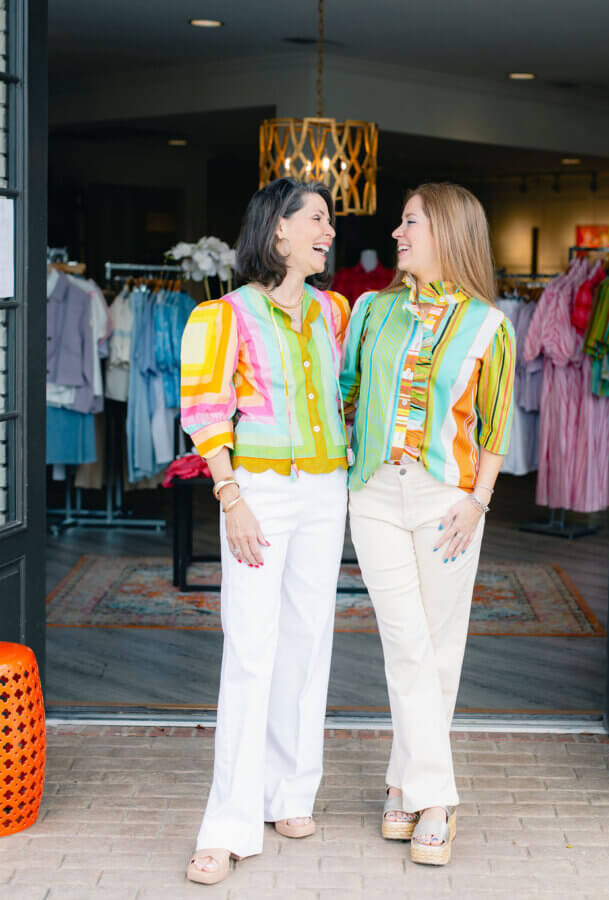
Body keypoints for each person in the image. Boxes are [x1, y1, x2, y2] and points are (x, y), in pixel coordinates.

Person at [180, 178, 351, 884]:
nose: (328, 231)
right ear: (276, 230)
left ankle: (290, 792)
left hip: (325, 489)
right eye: (316, 218)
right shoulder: (222, 318)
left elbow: (342, 398)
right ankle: (226, 824)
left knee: (309, 642)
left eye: (330, 221)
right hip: (259, 493)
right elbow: (205, 412)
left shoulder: (334, 312)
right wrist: (231, 496)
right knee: (252, 649)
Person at [340, 182, 515, 866]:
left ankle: (400, 783)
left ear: (444, 230)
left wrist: (479, 500)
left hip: (449, 499)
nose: (396, 234)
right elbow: (344, 394)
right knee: (407, 642)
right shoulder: (369, 312)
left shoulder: (487, 325)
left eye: (408, 222)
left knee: (439, 649)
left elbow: (496, 426)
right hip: (375, 495)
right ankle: (436, 800)